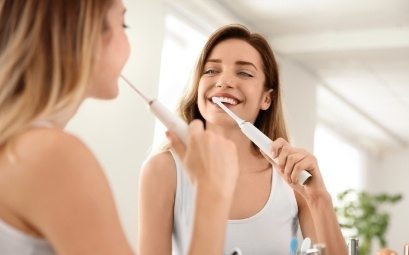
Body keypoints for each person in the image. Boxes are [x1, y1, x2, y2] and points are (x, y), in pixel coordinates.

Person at [0, 0, 239, 254]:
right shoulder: (53, 155)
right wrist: (213, 194)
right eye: (123, 23)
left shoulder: (21, 144)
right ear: (85, 33)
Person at [139, 24, 348, 255]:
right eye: (210, 71)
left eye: (244, 73)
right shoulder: (163, 170)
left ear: (266, 99)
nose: (224, 81)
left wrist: (318, 197)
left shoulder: (291, 176)